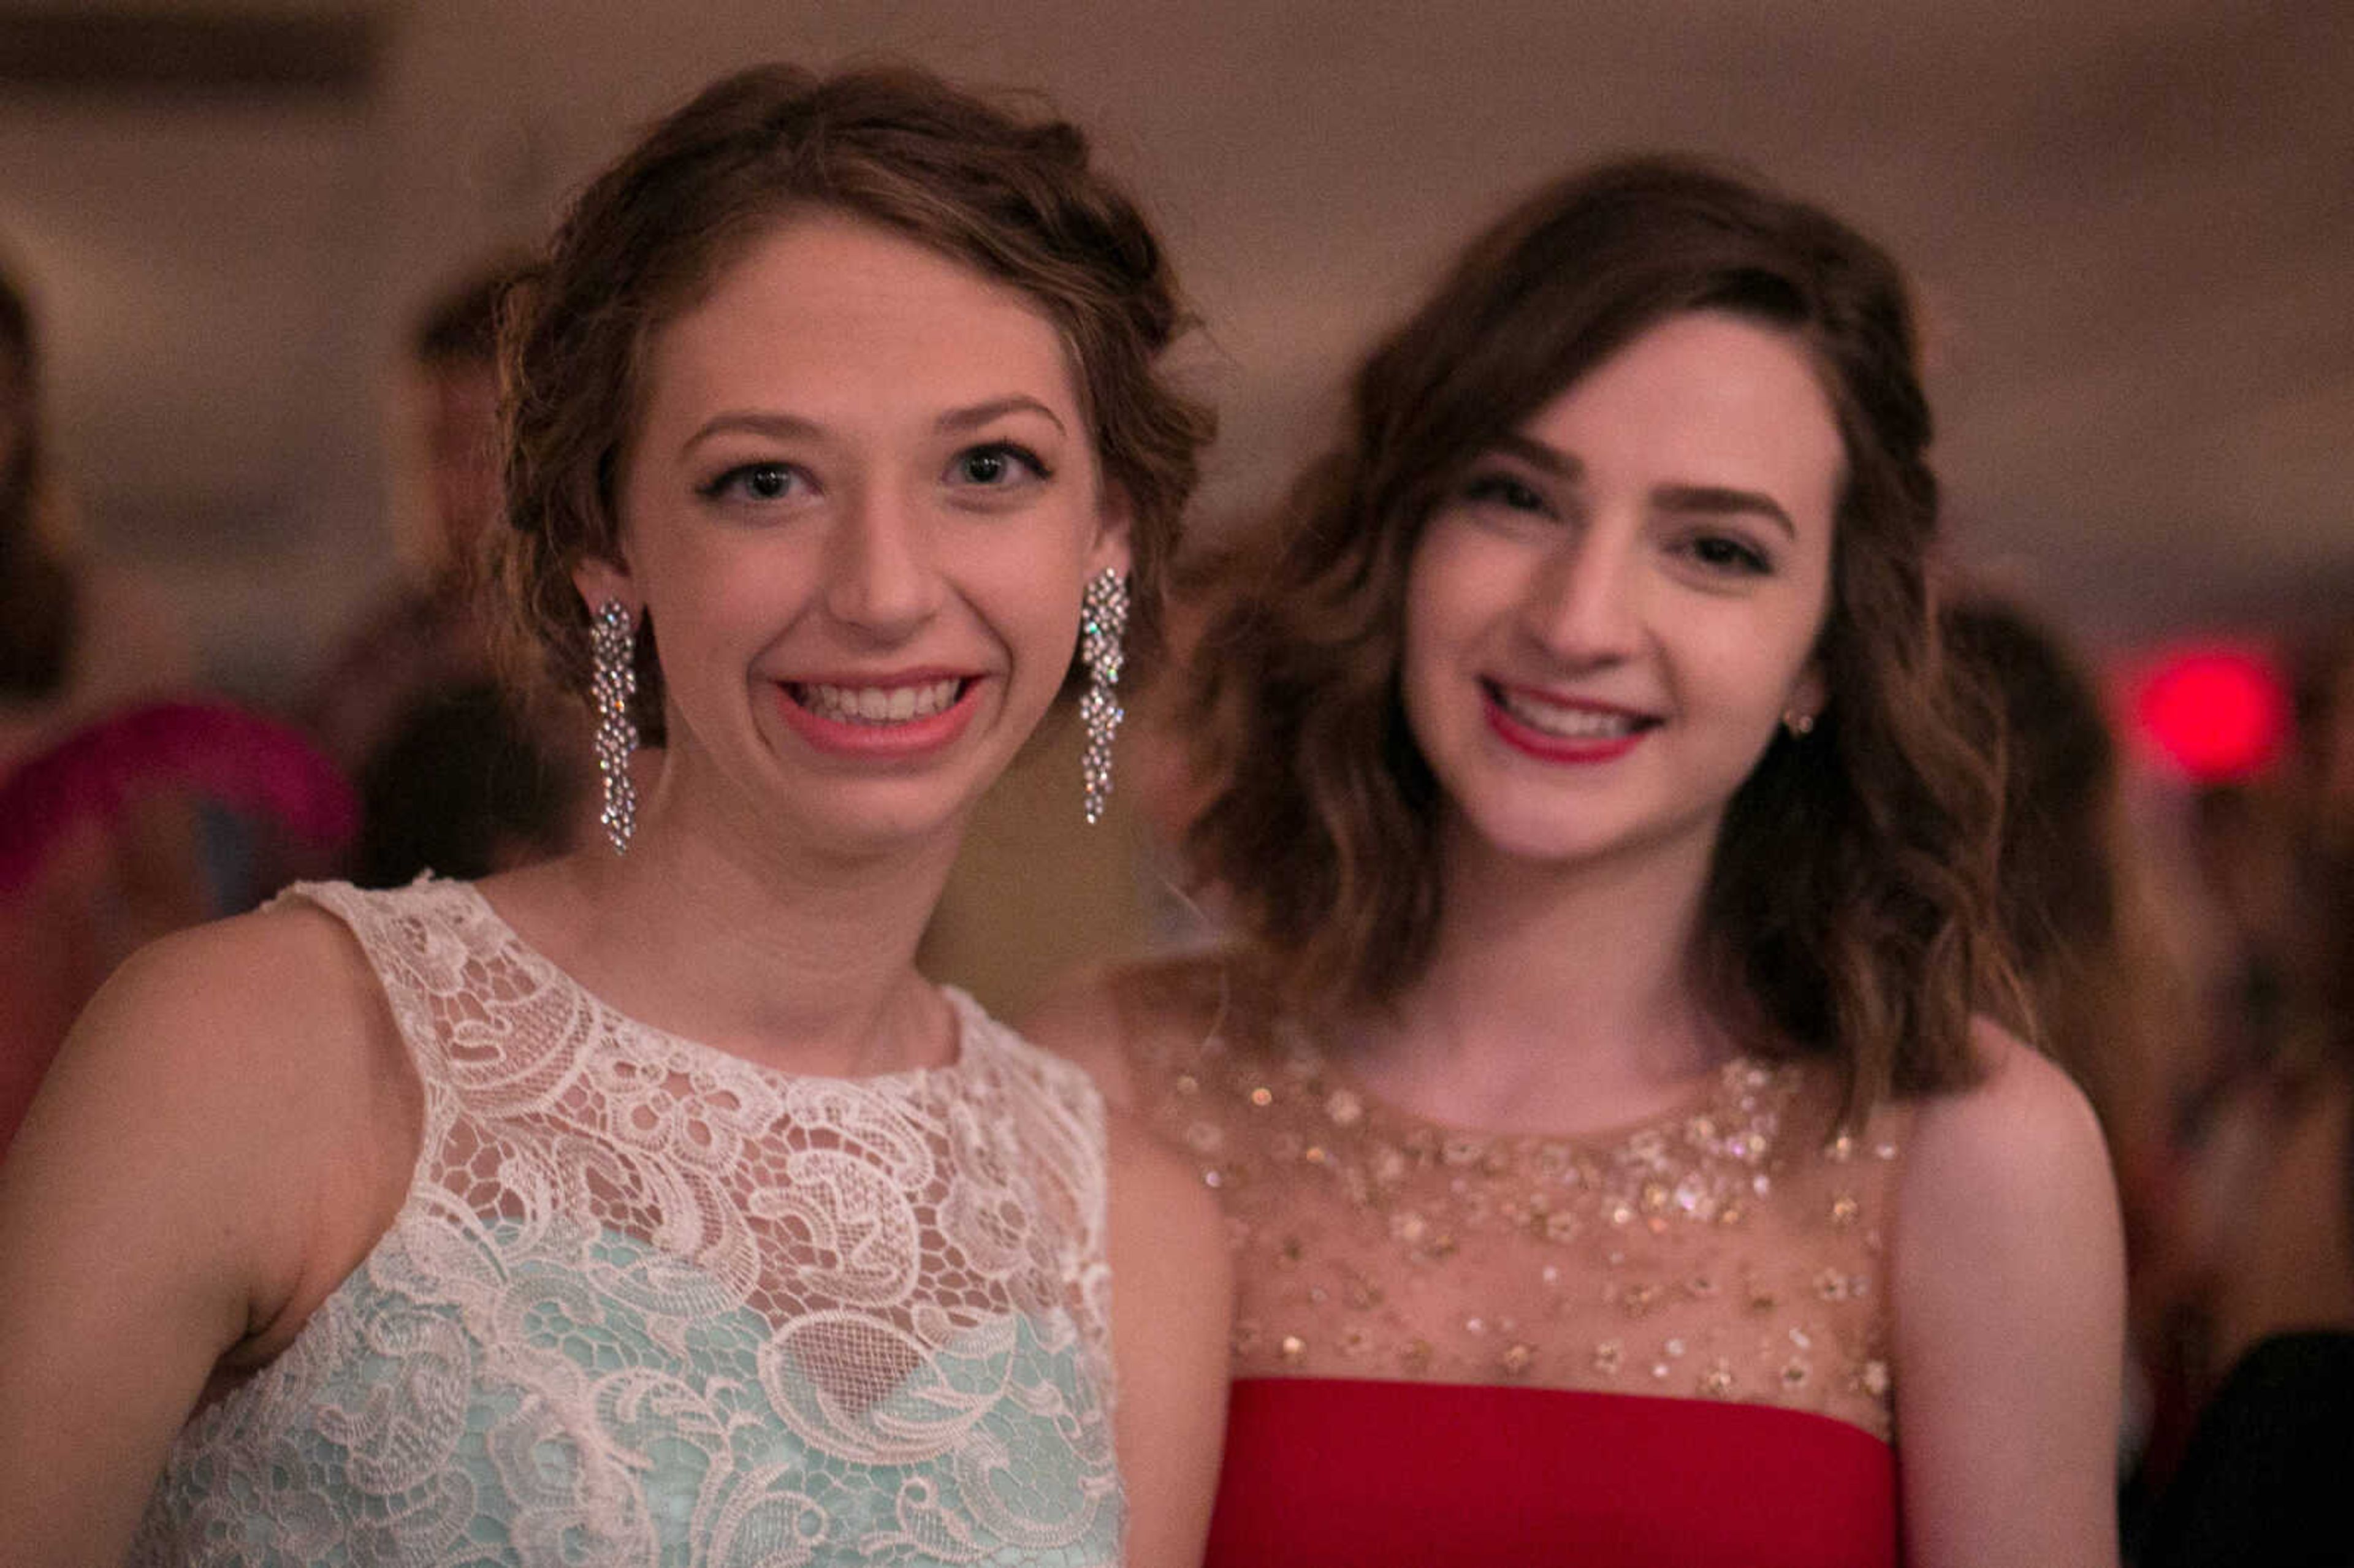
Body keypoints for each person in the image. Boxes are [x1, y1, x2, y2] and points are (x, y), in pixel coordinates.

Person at [0, 63, 1230, 1567]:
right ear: (608, 548)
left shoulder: (1136, 1231)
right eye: (765, 480)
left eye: (991, 467)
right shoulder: (252, 1048)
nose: (889, 587)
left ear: (1102, 538)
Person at [1030, 158, 2122, 1566]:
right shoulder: (1106, 1082)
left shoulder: (1969, 1152)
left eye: (1716, 549)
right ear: (1401, 541)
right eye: (1517, 499)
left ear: (1824, 653)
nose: (1582, 616)